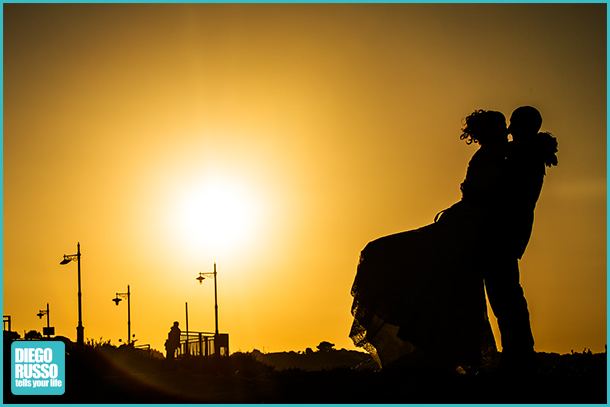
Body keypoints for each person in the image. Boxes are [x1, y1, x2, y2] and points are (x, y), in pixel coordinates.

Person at [349, 109, 510, 372]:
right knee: (421, 276)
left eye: (501, 127)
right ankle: (428, 349)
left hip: (468, 231)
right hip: (460, 226)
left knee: (425, 276)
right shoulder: (493, 154)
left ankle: (434, 351)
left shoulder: (506, 155)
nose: (501, 132)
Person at [481, 106, 558, 373]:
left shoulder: (525, 152)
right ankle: (519, 353)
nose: (509, 128)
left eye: (513, 123)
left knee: (506, 294)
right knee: (505, 293)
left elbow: (507, 191)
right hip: (505, 230)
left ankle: (520, 355)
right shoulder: (530, 150)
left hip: (502, 231)